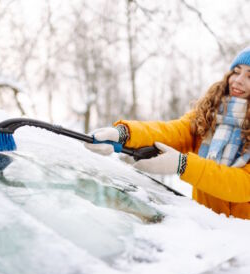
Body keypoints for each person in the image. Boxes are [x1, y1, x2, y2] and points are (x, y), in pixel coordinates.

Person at [85, 47, 250, 220]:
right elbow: (173, 131)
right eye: (236, 72)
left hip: (240, 238)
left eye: (249, 76)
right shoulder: (210, 113)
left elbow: (244, 185)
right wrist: (124, 134)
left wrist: (184, 165)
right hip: (206, 227)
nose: (237, 81)